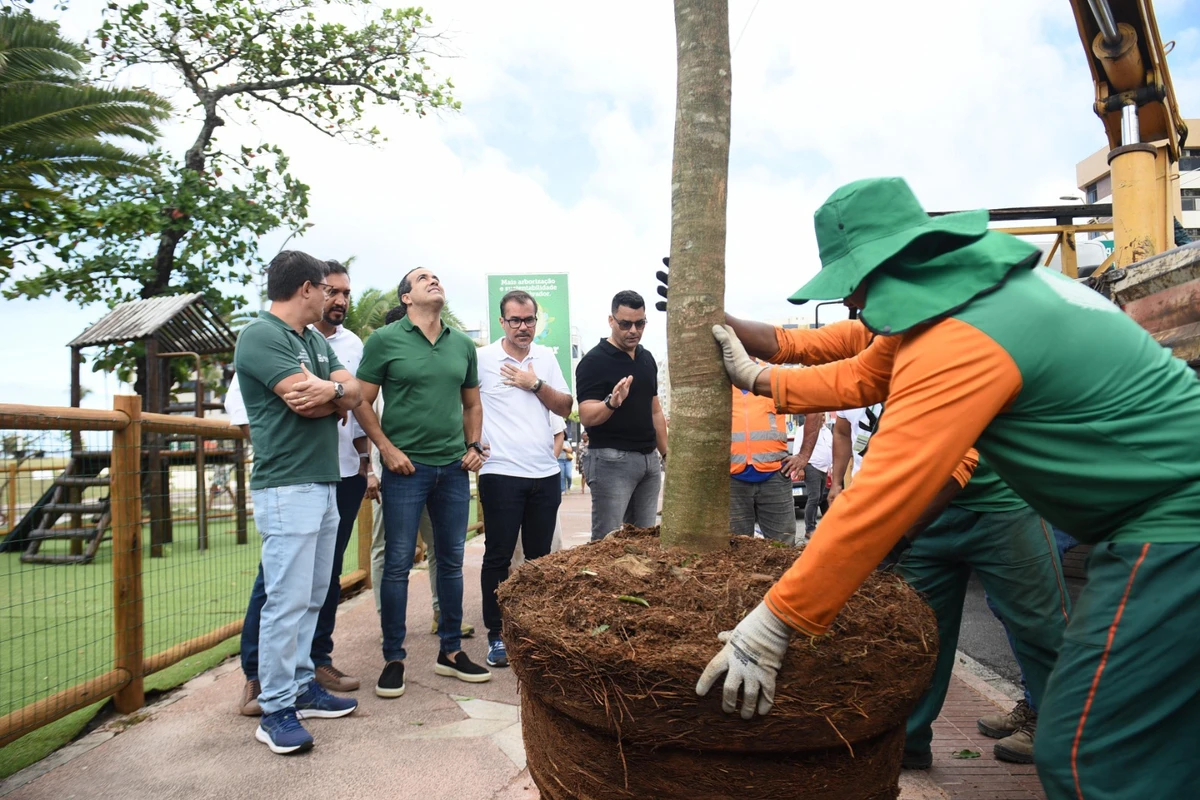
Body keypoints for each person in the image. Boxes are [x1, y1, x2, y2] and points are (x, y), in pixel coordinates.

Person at [695, 177, 1200, 799]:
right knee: (1163, 744)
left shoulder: (962, 339)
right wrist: (762, 379)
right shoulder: (977, 299)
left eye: (855, 280)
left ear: (889, 265)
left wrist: (774, 621)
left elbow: (880, 496)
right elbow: (862, 374)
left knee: (1089, 748)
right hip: (1158, 518)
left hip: (1177, 523)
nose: (852, 298)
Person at [233, 250, 363, 755]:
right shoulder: (261, 335)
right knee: (285, 601)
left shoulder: (311, 339)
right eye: (326, 290)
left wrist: (331, 391)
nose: (333, 298)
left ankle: (303, 684)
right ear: (306, 289)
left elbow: (351, 394)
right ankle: (276, 708)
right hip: (287, 485)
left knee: (311, 594)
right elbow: (301, 401)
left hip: (323, 481)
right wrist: (334, 395)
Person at [355, 267, 490, 698]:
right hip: (403, 471)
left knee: (450, 562)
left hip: (452, 469)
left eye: (436, 276)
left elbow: (472, 403)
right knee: (397, 565)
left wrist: (473, 445)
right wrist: (386, 450)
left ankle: (450, 652)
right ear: (407, 296)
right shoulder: (384, 340)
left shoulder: (463, 344)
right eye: (422, 277)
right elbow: (361, 401)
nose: (434, 279)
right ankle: (393, 658)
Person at [476, 289, 574, 668]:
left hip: (545, 473)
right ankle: (497, 635)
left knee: (539, 561)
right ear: (502, 322)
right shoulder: (483, 357)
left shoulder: (545, 357)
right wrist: (471, 443)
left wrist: (533, 383)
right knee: (498, 557)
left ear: (537, 321)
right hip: (500, 472)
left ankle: (533, 632)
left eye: (529, 320)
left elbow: (566, 406)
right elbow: (465, 403)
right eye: (514, 320)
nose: (522, 327)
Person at [365, 305, 474, 639]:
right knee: (389, 550)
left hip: (442, 467)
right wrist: (374, 466)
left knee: (443, 549)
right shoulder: (384, 353)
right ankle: (389, 626)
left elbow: (469, 405)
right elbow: (363, 411)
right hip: (393, 468)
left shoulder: (449, 354)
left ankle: (443, 617)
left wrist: (473, 446)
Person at [576, 290, 668, 541]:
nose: (633, 330)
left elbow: (655, 410)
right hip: (611, 461)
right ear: (611, 320)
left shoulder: (646, 358)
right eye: (625, 324)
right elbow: (586, 415)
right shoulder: (594, 361)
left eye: (640, 323)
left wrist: (666, 454)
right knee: (607, 541)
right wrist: (611, 403)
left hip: (649, 461)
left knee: (644, 540)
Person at [729, 379, 796, 545]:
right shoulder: (721, 384)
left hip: (775, 477)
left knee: (783, 547)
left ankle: (787, 573)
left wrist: (803, 456)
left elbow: (813, 407)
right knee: (736, 549)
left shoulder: (772, 380)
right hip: (733, 479)